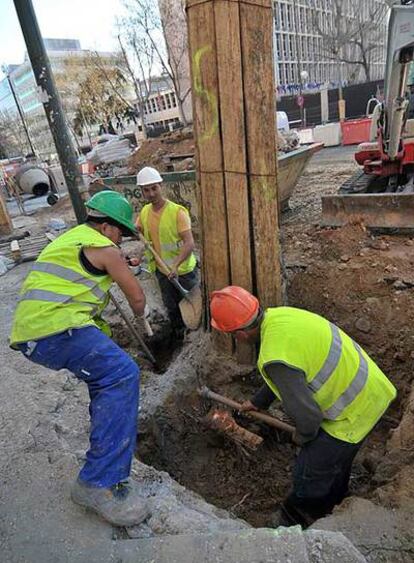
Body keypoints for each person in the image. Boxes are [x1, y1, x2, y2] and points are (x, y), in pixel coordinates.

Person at [10, 191, 151, 527]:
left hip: (34, 330)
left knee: (106, 376)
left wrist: (118, 264)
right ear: (106, 227)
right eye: (119, 233)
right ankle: (98, 482)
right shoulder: (104, 247)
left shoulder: (72, 239)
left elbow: (80, 276)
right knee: (122, 374)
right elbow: (137, 297)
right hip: (56, 327)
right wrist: (141, 311)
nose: (120, 240)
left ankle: (102, 459)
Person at [210, 286, 397, 527]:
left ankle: (297, 518)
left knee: (308, 473)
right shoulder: (281, 316)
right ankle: (336, 502)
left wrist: (302, 437)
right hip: (371, 389)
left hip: (350, 415)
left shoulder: (272, 357)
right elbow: (290, 369)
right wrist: (258, 402)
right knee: (337, 464)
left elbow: (309, 419)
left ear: (240, 334)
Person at [136, 166, 198, 340]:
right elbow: (141, 236)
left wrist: (175, 265)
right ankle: (179, 335)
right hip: (162, 271)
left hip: (184, 271)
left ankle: (194, 336)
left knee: (192, 303)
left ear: (161, 186)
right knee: (171, 306)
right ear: (141, 191)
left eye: (154, 188)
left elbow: (189, 243)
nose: (151, 193)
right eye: (146, 190)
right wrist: (138, 258)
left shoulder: (177, 212)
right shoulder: (145, 212)